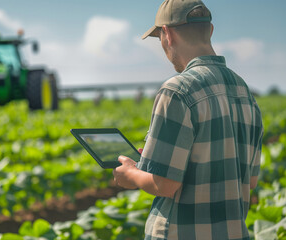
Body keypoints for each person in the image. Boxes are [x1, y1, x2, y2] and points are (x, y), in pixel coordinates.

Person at [112, 0, 263, 239]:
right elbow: (251, 180)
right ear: (210, 31)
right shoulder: (245, 93)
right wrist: (156, 159)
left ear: (167, 34)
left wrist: (130, 174)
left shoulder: (177, 90)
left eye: (159, 38)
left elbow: (165, 184)